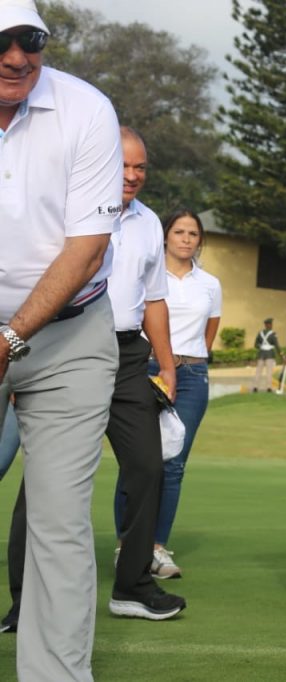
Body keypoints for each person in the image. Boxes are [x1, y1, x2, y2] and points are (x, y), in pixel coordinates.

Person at [0, 1, 121, 675]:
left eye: (31, 40)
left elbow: (87, 247)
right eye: (1, 43)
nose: (17, 58)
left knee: (58, 524)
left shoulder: (86, 110)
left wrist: (10, 337)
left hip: (70, 341)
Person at [114, 209, 222, 579]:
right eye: (179, 232)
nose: (186, 239)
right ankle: (127, 546)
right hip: (145, 370)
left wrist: (185, 362)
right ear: (165, 236)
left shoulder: (210, 284)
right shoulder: (148, 274)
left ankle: (157, 547)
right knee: (137, 462)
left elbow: (209, 333)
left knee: (172, 463)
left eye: (193, 233)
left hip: (191, 376)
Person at [253, 317, 283, 392]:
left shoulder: (260, 333)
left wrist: (261, 346)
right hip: (269, 354)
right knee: (269, 372)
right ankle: (269, 387)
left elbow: (256, 345)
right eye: (270, 324)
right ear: (268, 325)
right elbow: (276, 345)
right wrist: (281, 354)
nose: (271, 325)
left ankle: (255, 387)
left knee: (258, 371)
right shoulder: (273, 334)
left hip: (261, 354)